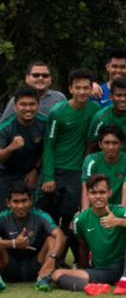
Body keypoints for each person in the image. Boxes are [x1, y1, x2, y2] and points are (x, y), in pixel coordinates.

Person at [51, 175, 126, 295]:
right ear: (87, 195)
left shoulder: (118, 211)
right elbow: (83, 247)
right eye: (93, 193)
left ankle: (125, 280)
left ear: (109, 193)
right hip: (106, 271)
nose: (98, 196)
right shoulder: (81, 220)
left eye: (102, 192)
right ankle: (89, 288)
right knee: (57, 274)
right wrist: (84, 271)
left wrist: (119, 221)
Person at [39, 68, 100, 262]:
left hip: (76, 173)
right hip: (55, 171)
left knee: (70, 219)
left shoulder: (95, 110)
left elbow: (92, 142)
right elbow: (48, 145)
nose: (82, 92)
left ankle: (64, 260)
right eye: (78, 88)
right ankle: (47, 259)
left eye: (86, 88)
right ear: (70, 89)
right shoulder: (58, 112)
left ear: (91, 89)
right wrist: (48, 176)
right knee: (50, 217)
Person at [91, 49, 126, 211]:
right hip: (100, 163)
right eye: (114, 66)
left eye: (122, 67)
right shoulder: (96, 93)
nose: (118, 70)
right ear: (107, 67)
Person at [0, 184, 65, 292]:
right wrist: (14, 243)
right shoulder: (2, 217)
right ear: (8, 203)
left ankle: (43, 279)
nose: (20, 206)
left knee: (52, 239)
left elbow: (60, 235)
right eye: (16, 202)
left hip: (36, 267)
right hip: (9, 267)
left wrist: (52, 258)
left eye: (24, 200)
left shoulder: (41, 215)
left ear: (31, 201)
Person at [0, 87, 47, 209]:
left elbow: (47, 149)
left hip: (33, 172)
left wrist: (35, 170)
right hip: (6, 174)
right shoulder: (5, 127)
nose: (28, 108)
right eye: (23, 104)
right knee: (6, 212)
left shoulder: (45, 123)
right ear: (15, 106)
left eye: (32, 104)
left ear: (38, 105)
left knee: (32, 210)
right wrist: (11, 148)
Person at [81, 126, 126, 209]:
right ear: (100, 144)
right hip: (95, 209)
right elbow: (86, 187)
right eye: (107, 143)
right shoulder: (91, 160)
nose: (111, 147)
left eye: (115, 143)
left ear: (121, 144)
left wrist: (122, 216)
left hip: (118, 208)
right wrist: (85, 214)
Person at [1, 61, 66, 121]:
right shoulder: (17, 99)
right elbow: (4, 125)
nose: (40, 78)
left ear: (50, 79)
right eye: (36, 75)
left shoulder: (59, 98)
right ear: (27, 78)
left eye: (45, 75)